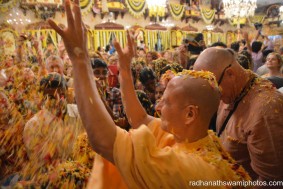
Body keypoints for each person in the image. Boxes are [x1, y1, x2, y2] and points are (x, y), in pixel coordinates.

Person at [48, 1, 251, 188]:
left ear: (190, 114)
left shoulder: (186, 167)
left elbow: (103, 141)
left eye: (166, 101)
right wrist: (125, 72)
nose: (158, 106)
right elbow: (140, 118)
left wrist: (80, 59)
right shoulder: (196, 138)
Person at [193, 47, 283, 183]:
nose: (214, 95)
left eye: (214, 88)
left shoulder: (266, 109)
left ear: (230, 74)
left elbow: (271, 180)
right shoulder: (230, 91)